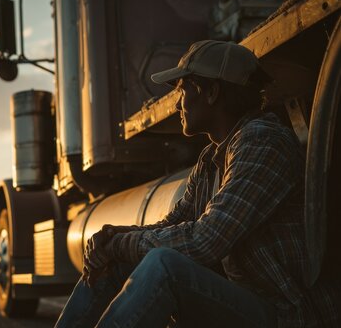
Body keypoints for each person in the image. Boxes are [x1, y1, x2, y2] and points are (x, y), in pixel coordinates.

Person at [54, 40, 340, 328]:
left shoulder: (263, 141)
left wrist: (121, 244)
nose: (177, 103)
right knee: (116, 263)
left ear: (212, 92)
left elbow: (206, 240)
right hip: (249, 304)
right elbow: (173, 224)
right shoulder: (210, 160)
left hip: (287, 315)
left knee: (164, 267)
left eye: (182, 89)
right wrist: (115, 236)